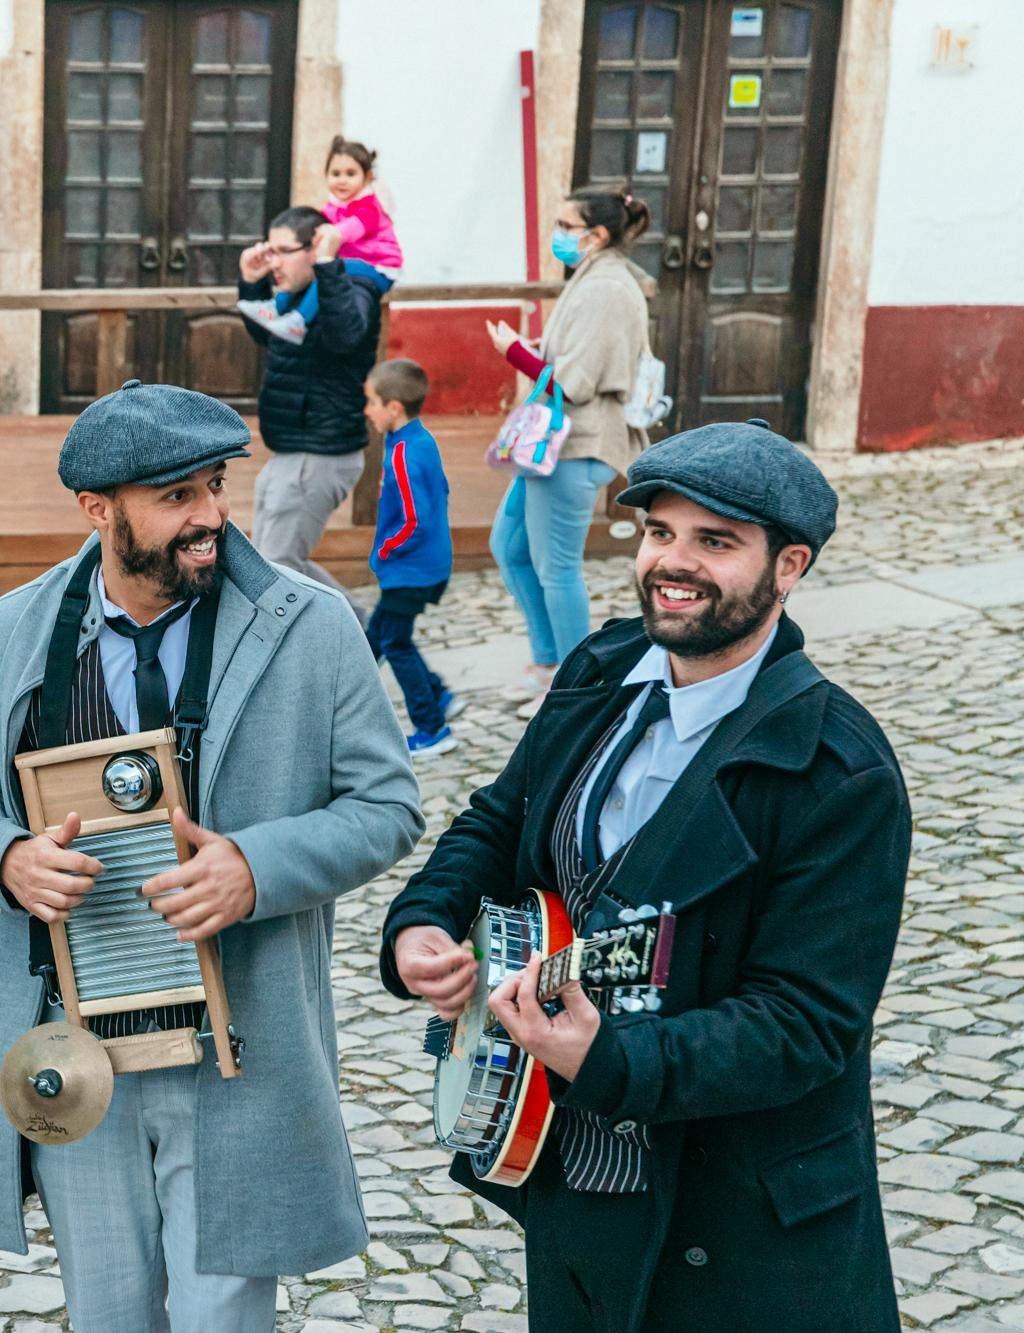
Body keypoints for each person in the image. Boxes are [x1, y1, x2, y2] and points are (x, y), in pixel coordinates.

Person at [379, 421, 910, 1331]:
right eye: (661, 531)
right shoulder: (603, 667)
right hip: (571, 1171)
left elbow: (806, 1023)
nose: (674, 562)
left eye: (716, 542)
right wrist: (425, 918)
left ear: (789, 566)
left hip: (734, 1220)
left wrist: (611, 1059)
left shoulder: (839, 770)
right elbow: (500, 817)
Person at [0, 380, 424, 1331]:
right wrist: (7, 858)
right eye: (176, 497)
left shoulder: (311, 624)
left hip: (237, 1053)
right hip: (76, 1050)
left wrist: (256, 867)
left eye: (215, 486)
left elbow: (389, 805)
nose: (210, 517)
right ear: (97, 509)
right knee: (107, 1314)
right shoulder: (13, 628)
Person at [486, 185, 654, 719]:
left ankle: (573, 684)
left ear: (596, 234)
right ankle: (546, 661)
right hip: (551, 445)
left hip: (576, 445)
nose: (557, 234)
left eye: (565, 226)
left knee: (556, 568)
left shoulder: (606, 287)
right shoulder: (593, 276)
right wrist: (538, 351)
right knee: (509, 546)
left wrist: (515, 352)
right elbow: (575, 359)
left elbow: (574, 384)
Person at [236, 207, 383, 619]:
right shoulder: (298, 292)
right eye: (270, 250)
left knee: (278, 566)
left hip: (321, 452)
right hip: (291, 448)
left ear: (315, 248)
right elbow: (267, 335)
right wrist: (251, 284)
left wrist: (329, 266)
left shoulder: (351, 286)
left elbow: (346, 337)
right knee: (273, 562)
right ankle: (364, 629)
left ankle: (360, 635)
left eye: (284, 252)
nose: (273, 262)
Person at [361, 357, 461, 757]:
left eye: (371, 402)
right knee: (380, 636)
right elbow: (443, 491)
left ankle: (432, 728)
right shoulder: (420, 439)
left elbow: (414, 519)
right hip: (423, 566)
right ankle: (438, 695)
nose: (367, 410)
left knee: (394, 642)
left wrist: (386, 548)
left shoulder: (403, 451)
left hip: (410, 570)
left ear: (394, 408)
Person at [239, 136, 403, 344]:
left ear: (367, 177)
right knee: (319, 271)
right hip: (351, 263)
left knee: (326, 269)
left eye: (350, 174)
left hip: (378, 267)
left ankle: (299, 320)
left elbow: (353, 228)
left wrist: (330, 237)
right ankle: (274, 307)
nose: (342, 180)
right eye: (335, 173)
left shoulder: (369, 207)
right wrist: (251, 284)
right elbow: (265, 338)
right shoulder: (333, 207)